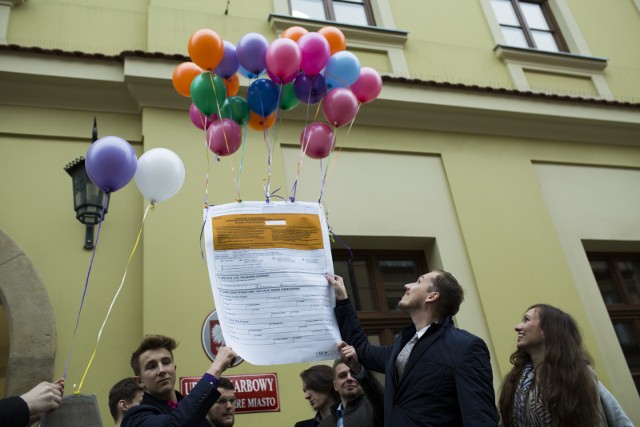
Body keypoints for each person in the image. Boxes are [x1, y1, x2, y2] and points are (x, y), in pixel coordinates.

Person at [327, 270, 498, 426]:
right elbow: (362, 350)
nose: (406, 285)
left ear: (432, 296)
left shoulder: (465, 346)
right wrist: (342, 299)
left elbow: (479, 417)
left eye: (418, 281)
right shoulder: (402, 345)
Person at [498, 303, 633, 427]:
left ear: (546, 330)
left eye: (526, 320)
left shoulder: (578, 375)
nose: (517, 327)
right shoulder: (516, 382)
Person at [121, 334, 236, 427]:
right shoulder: (135, 418)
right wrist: (216, 368)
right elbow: (175, 424)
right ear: (139, 381)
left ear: (174, 369)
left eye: (166, 362)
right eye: (152, 366)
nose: (162, 370)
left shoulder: (191, 407)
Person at [318, 342, 384, 427]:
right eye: (342, 375)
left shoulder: (374, 409)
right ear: (335, 386)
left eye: (353, 373)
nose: (349, 378)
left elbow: (379, 397)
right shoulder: (324, 424)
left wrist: (357, 368)